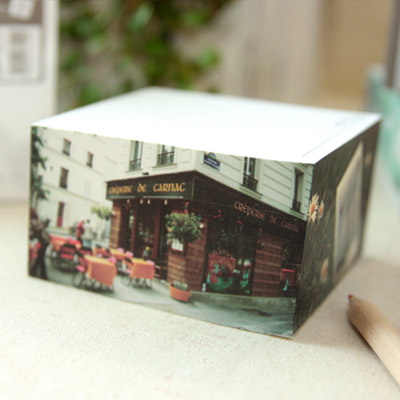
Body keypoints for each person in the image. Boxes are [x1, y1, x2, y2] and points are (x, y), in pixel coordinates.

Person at [30, 208, 50, 280]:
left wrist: (32, 236)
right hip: (45, 241)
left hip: (44, 241)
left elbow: (37, 231)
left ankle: (41, 274)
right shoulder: (36, 221)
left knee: (40, 257)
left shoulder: (34, 222)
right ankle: (36, 272)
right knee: (40, 257)